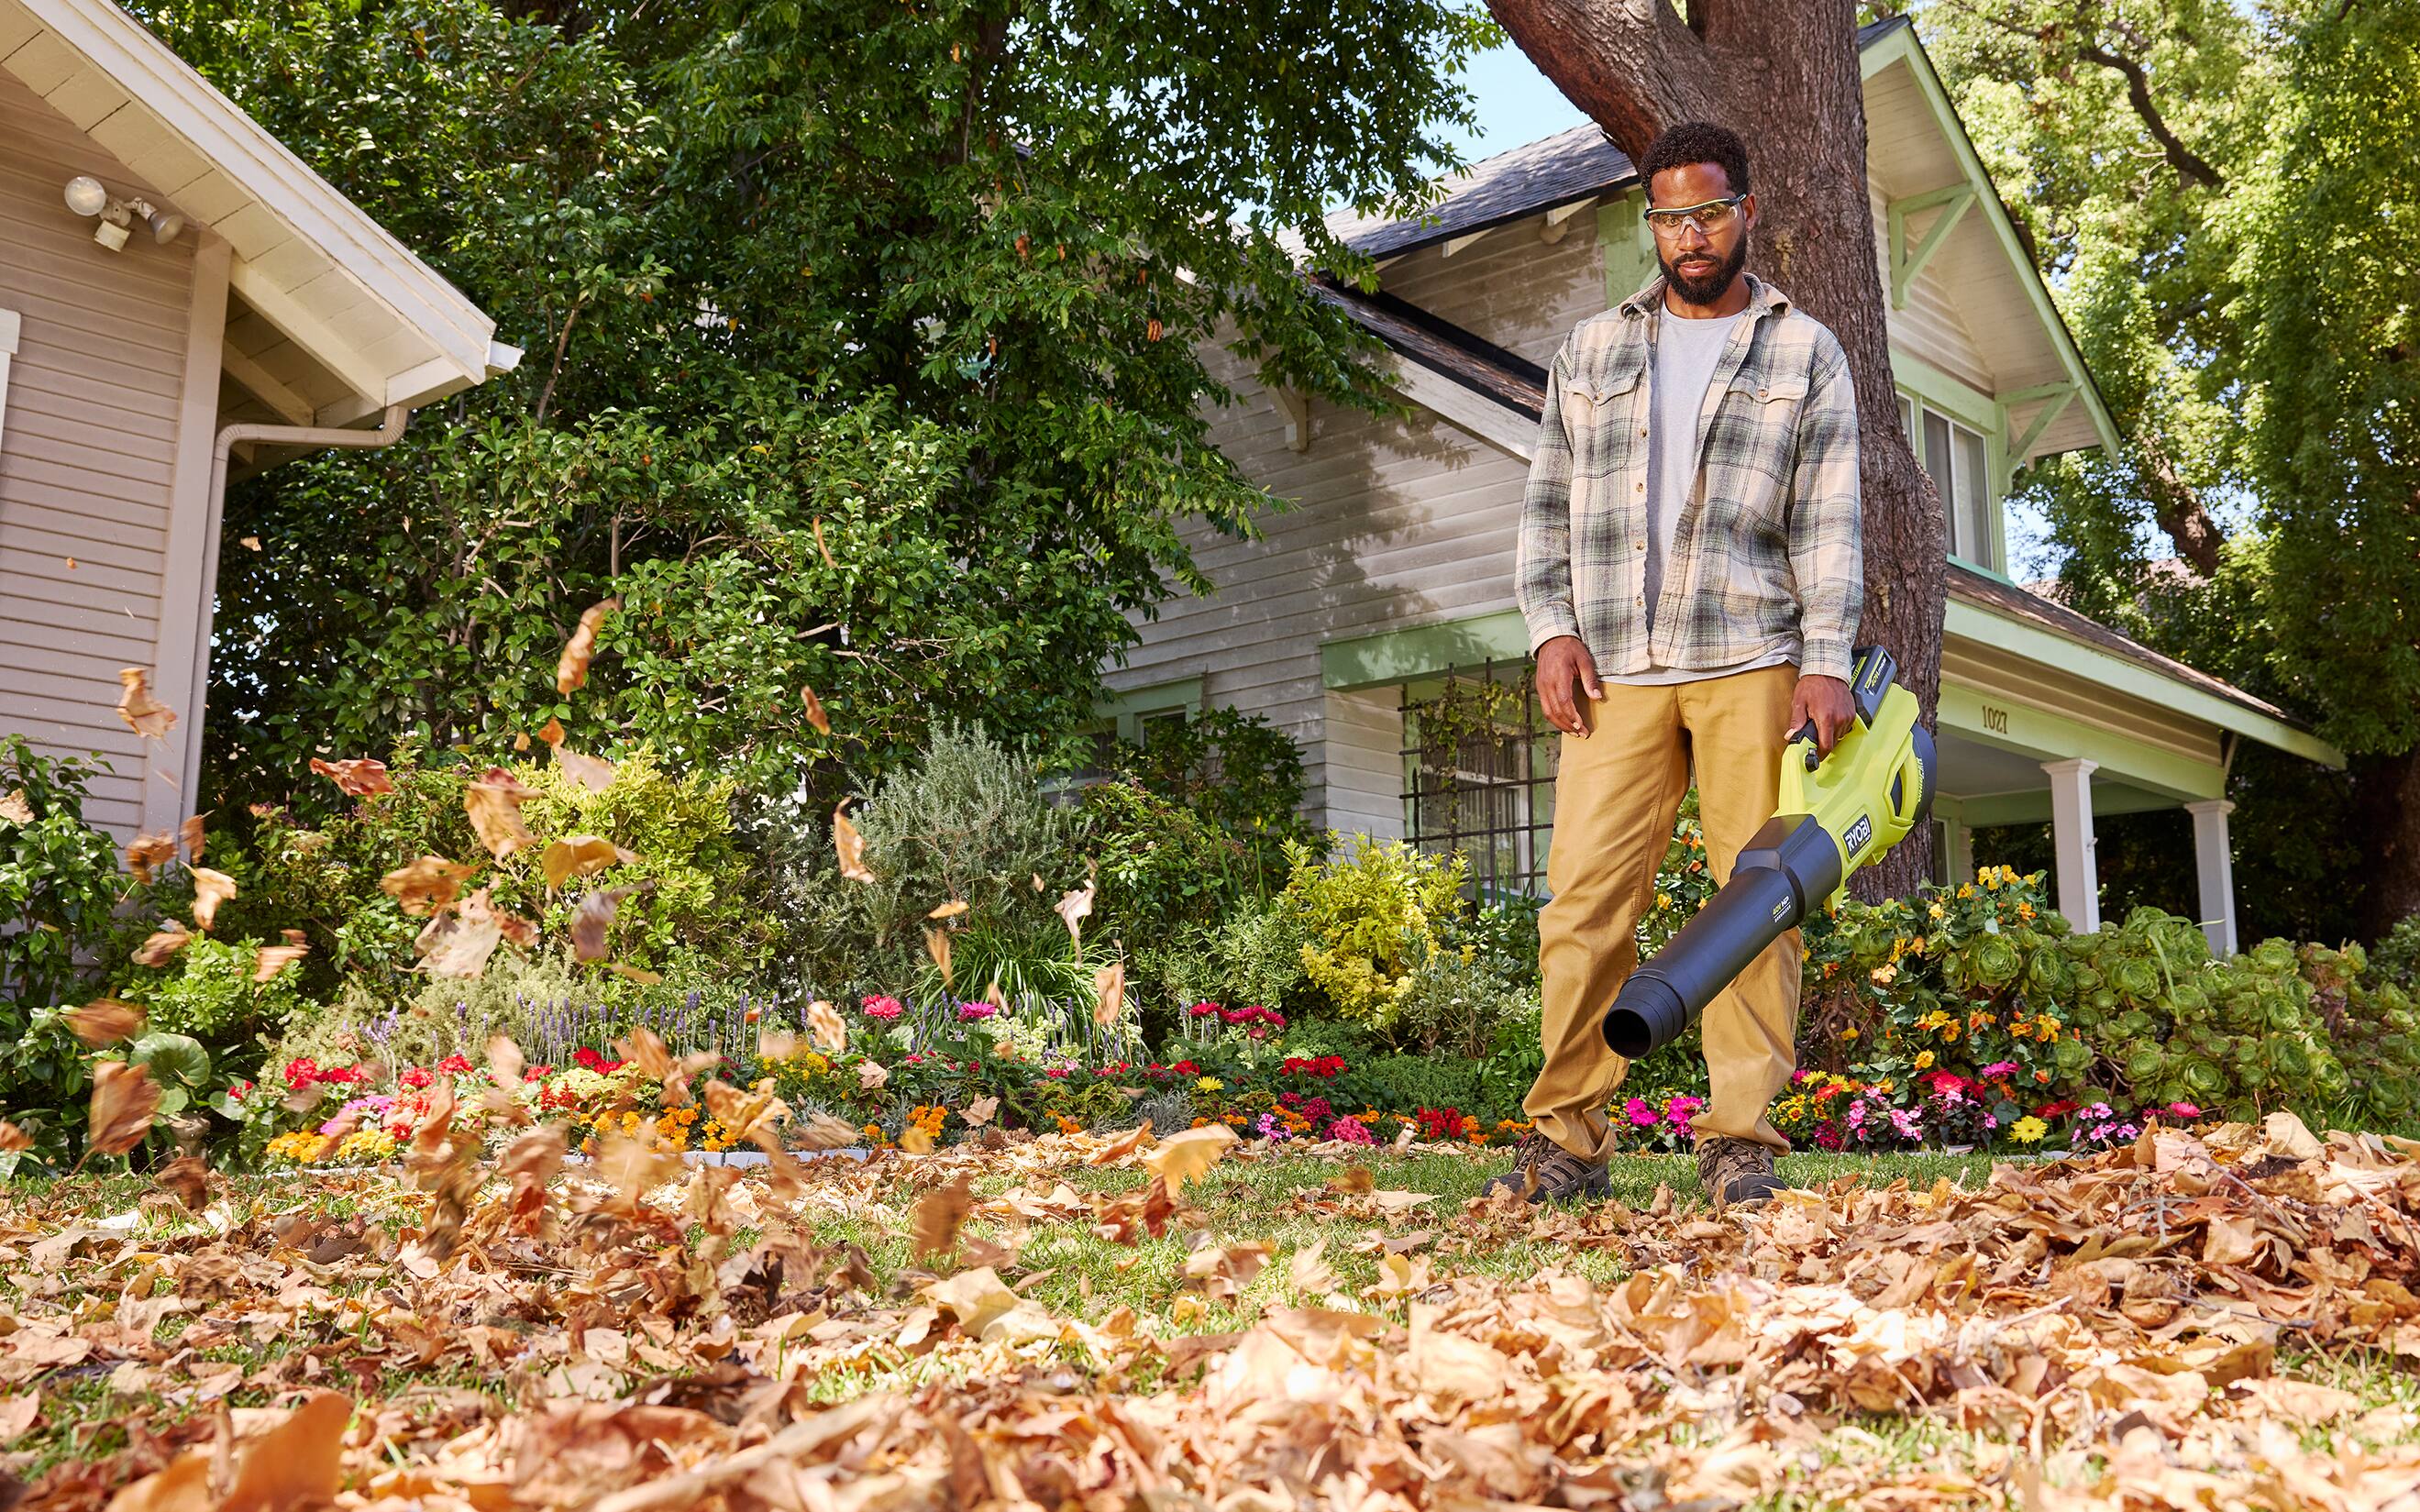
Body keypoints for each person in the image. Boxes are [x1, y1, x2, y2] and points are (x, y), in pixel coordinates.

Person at [1485, 121, 1863, 1209]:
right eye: (1666, 216)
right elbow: (1543, 507)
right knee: (1582, 903)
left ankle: (1739, 1137)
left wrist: (1824, 659)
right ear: (1646, 223)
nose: (1687, 234)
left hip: (1751, 654)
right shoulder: (1591, 350)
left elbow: (1828, 523)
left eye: (1706, 212)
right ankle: (1566, 1138)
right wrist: (1551, 629)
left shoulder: (1805, 351)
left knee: (1752, 904)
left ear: (1745, 210)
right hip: (1613, 662)